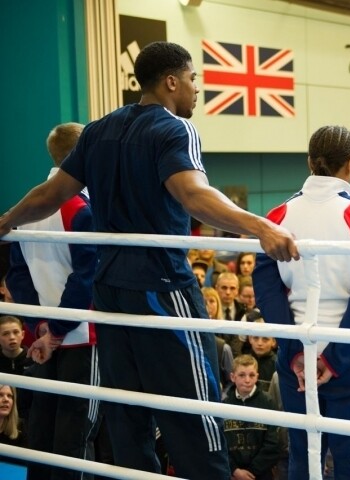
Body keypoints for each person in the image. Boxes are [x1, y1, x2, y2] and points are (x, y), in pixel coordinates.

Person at [0, 41, 298, 480]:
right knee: (194, 408)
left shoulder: (98, 130)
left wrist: (4, 220)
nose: (198, 88)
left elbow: (49, 195)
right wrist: (261, 227)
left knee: (128, 414)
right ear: (171, 81)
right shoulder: (174, 128)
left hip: (109, 293)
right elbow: (193, 195)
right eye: (194, 78)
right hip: (162, 287)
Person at [254, 125, 350, 479]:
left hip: (298, 359)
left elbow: (267, 291)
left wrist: (296, 352)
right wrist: (334, 359)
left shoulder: (277, 217)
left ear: (309, 162)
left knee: (305, 461)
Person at [6, 122, 101, 480]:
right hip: (79, 337)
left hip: (41, 337)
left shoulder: (27, 206)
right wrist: (58, 331)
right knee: (76, 435)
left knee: (44, 431)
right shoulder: (81, 208)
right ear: (84, 154)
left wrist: (39, 326)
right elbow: (86, 277)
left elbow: (16, 274)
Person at [223, 355, 280, 480]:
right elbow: (220, 443)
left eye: (252, 375)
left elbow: (274, 443)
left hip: (261, 474)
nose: (247, 380)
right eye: (242, 375)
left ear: (257, 377)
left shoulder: (268, 402)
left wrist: (252, 472)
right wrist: (234, 470)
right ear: (233, 377)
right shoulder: (223, 404)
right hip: (232, 474)